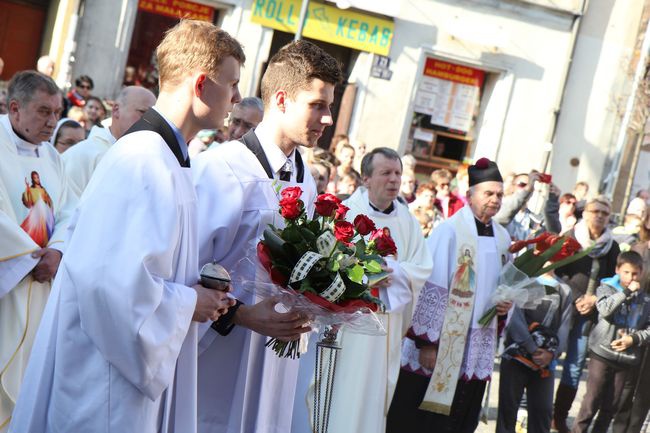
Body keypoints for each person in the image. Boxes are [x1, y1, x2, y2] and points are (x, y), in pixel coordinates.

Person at [9, 20, 242, 432]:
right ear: (202, 84)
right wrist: (191, 303)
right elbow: (111, 286)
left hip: (124, 372)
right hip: (107, 382)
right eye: (232, 84)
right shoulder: (143, 161)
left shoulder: (167, 157)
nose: (237, 99)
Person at [192, 39, 342, 433]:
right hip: (219, 354)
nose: (328, 119)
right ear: (281, 99)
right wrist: (239, 315)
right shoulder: (220, 169)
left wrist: (330, 296)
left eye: (330, 107)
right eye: (318, 105)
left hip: (277, 358)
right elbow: (186, 271)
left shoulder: (304, 178)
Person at [387, 158, 513, 433]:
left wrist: (506, 304)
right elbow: (431, 286)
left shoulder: (503, 238)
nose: (495, 200)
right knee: (417, 417)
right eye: (488, 193)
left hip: (476, 344)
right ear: (470, 195)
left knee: (459, 417)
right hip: (440, 343)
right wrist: (427, 343)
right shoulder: (449, 231)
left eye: (500, 194)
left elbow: (505, 283)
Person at [318, 147, 433, 433]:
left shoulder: (408, 222)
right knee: (340, 392)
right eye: (386, 173)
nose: (394, 180)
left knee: (371, 397)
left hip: (385, 330)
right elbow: (324, 264)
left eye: (398, 173)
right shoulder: (346, 214)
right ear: (366, 179)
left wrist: (395, 270)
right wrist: (365, 277)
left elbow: (422, 267)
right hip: (347, 326)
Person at [0, 71, 77, 431]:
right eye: (43, 112)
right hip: (8, 282)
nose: (52, 122)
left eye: (56, 112)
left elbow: (69, 211)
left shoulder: (52, 156)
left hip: (42, 284)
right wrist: (30, 256)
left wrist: (58, 251)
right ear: (15, 108)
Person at [552, 196, 620, 433]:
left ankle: (558, 417)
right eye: (595, 211)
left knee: (574, 365)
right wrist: (577, 296)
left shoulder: (612, 245)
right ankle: (539, 408)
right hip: (563, 308)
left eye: (605, 212)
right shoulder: (571, 238)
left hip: (589, 315)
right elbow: (555, 273)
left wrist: (595, 298)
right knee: (550, 359)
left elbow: (613, 280)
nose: (600, 216)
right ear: (586, 213)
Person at [571, 251, 649, 433]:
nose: (631, 277)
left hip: (625, 359)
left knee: (610, 407)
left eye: (635, 273)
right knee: (591, 401)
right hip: (602, 354)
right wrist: (626, 292)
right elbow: (605, 310)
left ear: (642, 273)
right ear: (617, 270)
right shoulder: (605, 289)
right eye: (626, 272)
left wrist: (634, 339)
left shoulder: (645, 299)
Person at [495, 270, 573, 433]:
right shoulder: (523, 281)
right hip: (516, 357)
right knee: (508, 411)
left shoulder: (564, 289)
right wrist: (531, 346)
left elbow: (565, 325)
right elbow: (514, 317)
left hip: (545, 363)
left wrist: (552, 353)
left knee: (542, 411)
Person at [61, 85, 156, 195]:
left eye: (152, 117)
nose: (149, 121)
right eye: (142, 112)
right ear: (116, 110)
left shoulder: (147, 162)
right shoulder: (81, 155)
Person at [613, 209, 650, 433]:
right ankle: (618, 428)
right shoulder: (638, 249)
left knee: (646, 386)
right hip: (635, 320)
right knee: (627, 381)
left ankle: (634, 429)